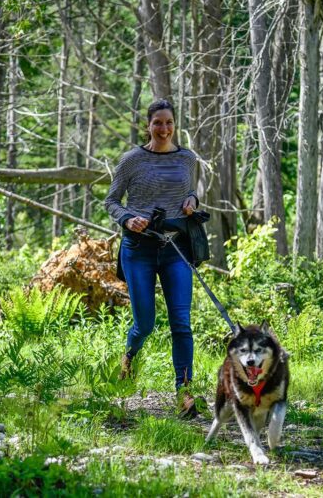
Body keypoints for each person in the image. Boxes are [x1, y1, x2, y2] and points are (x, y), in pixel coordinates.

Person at [104, 99, 201, 418]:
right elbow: (112, 200)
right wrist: (127, 219)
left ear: (175, 125)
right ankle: (129, 359)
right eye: (158, 123)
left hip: (176, 248)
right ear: (148, 125)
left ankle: (184, 393)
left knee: (181, 323)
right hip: (138, 248)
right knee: (145, 323)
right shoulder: (132, 160)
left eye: (169, 122)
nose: (164, 129)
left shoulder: (187, 158)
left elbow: (191, 193)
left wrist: (192, 199)